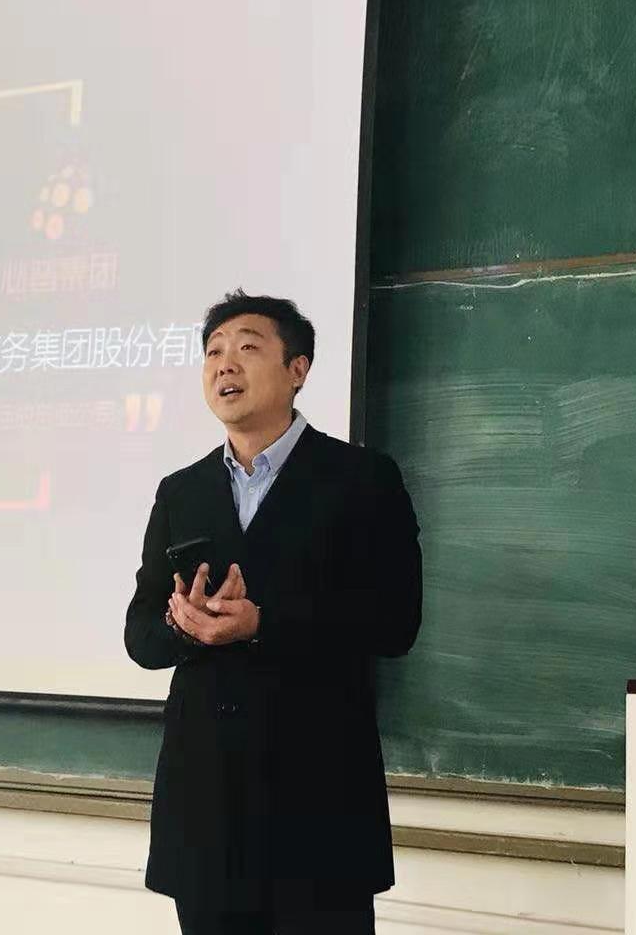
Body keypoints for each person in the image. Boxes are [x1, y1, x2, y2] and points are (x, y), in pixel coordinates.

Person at [124, 290, 423, 935]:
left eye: (247, 348)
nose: (225, 365)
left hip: (320, 810)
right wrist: (182, 624)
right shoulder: (181, 492)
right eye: (213, 352)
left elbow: (395, 620)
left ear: (298, 369)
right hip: (206, 815)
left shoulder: (362, 479)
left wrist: (264, 623)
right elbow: (141, 635)